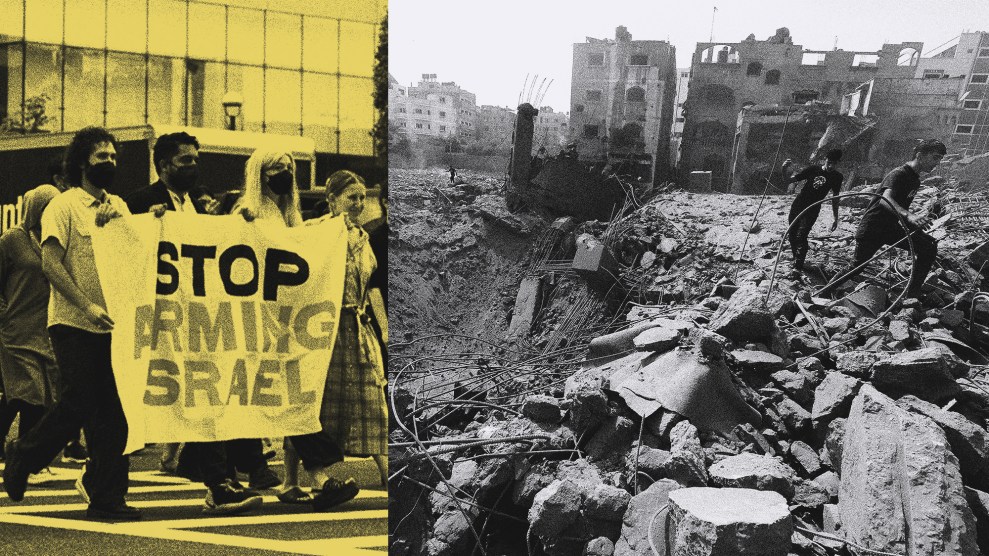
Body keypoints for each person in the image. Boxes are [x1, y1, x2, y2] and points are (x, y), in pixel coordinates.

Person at [126, 132, 272, 515]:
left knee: (206, 398)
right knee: (133, 402)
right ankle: (101, 476)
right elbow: (124, 250)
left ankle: (219, 483)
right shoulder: (139, 202)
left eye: (195, 159)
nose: (192, 166)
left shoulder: (199, 203)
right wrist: (146, 224)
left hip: (196, 323)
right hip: (157, 322)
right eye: (184, 160)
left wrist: (240, 224)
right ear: (163, 166)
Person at [2, 127, 138, 520]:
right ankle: (23, 455)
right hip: (72, 323)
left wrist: (127, 222)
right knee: (79, 400)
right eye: (101, 156)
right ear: (82, 162)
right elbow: (51, 265)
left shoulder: (119, 206)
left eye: (113, 156)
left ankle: (108, 497)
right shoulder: (62, 207)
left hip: (113, 324)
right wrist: (86, 305)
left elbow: (138, 255)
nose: (110, 162)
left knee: (114, 412)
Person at [237, 150, 359, 512]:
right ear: (260, 173)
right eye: (277, 168)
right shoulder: (247, 211)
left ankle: (304, 480)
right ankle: (312, 478)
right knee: (278, 399)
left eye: (289, 168)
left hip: (283, 324)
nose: (285, 174)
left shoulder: (289, 215)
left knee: (291, 398)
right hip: (258, 322)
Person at [280, 170, 388, 502]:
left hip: (356, 328)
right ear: (331, 200)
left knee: (372, 401)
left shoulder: (364, 238)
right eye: (351, 197)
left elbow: (370, 287)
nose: (358, 203)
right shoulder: (314, 232)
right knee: (314, 404)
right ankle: (289, 480)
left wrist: (382, 328)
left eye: (362, 198)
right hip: (321, 330)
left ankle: (389, 472)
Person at [0, 185, 87, 482]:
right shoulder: (11, 240)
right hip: (16, 329)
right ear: (35, 208)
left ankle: (22, 456)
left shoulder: (56, 238)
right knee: (31, 394)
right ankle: (27, 460)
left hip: (45, 328)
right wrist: (3, 314)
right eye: (47, 206)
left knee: (34, 395)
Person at [819, 139, 946, 300]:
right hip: (873, 227)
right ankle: (823, 293)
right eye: (935, 157)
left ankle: (912, 295)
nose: (937, 163)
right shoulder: (899, 174)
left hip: (889, 228)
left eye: (940, 159)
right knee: (857, 266)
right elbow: (885, 200)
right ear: (920, 156)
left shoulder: (915, 180)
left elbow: (900, 209)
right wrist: (909, 216)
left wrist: (914, 226)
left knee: (928, 246)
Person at [782, 149, 844, 271]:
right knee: (792, 233)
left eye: (834, 164)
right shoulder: (813, 169)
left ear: (838, 163)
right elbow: (789, 180)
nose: (831, 166)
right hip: (799, 204)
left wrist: (835, 218)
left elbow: (835, 198)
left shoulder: (837, 177)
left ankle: (798, 267)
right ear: (825, 160)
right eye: (829, 162)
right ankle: (796, 259)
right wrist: (783, 169)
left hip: (813, 208)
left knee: (801, 236)